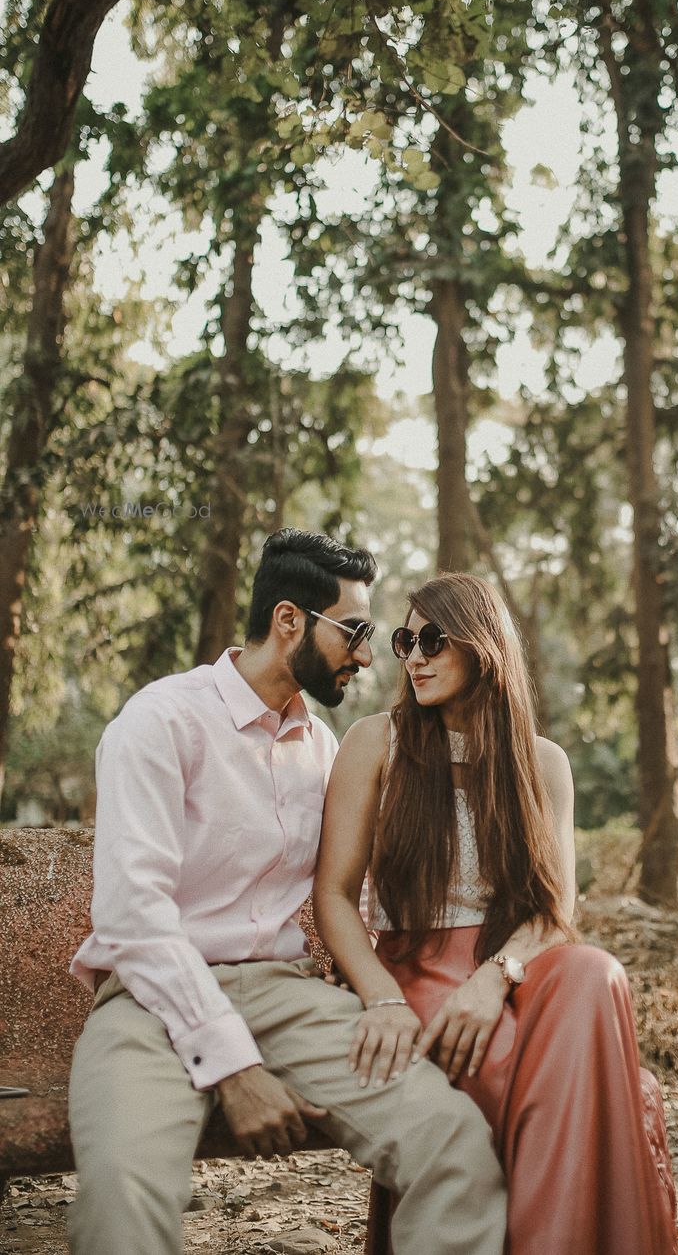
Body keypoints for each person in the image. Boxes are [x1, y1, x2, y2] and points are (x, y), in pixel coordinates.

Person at [67, 531, 507, 1255]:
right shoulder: (160, 721)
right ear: (289, 620)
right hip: (151, 999)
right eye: (358, 632)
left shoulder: (325, 748)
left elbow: (347, 893)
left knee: (452, 1143)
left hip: (287, 996)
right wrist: (233, 1065)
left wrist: (387, 995)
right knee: (122, 1193)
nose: (369, 656)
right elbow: (132, 917)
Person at [313, 572, 678, 1255]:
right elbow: (332, 896)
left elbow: (554, 910)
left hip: (515, 967)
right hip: (410, 972)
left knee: (595, 973)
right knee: (560, 1072)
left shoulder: (542, 763)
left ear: (483, 647)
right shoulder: (375, 744)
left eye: (432, 639)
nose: (413, 656)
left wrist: (493, 978)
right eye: (403, 640)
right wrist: (380, 996)